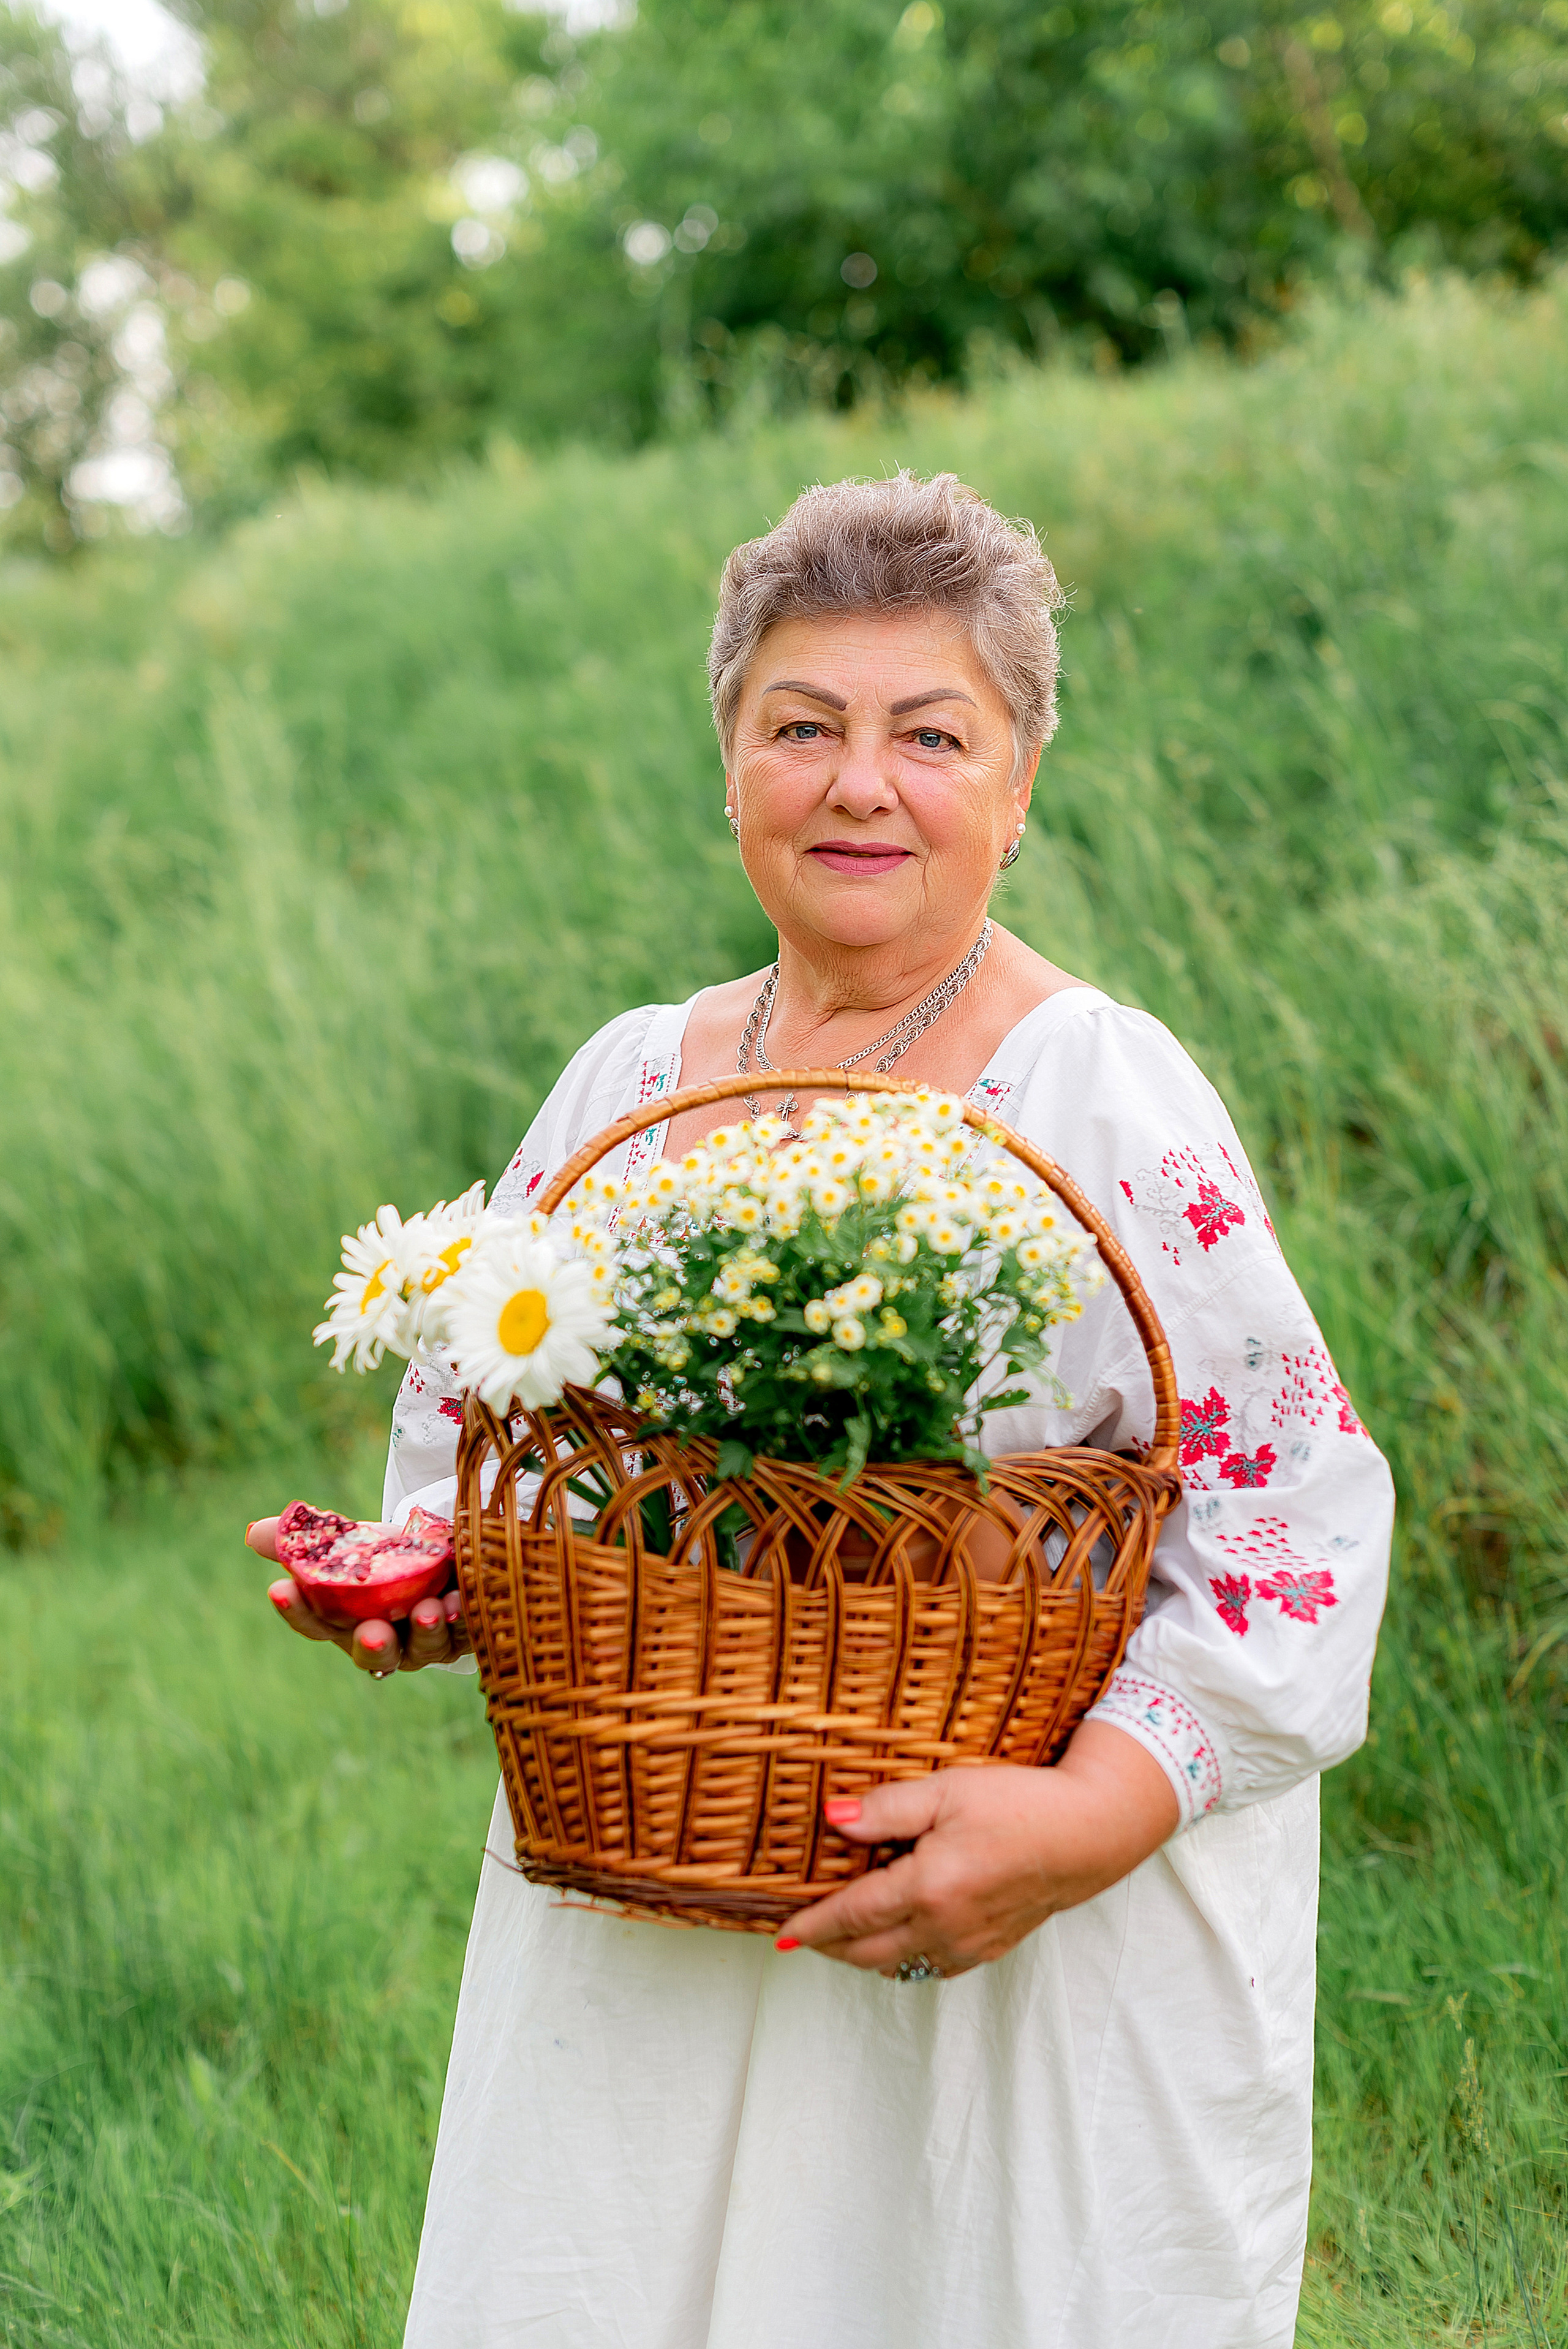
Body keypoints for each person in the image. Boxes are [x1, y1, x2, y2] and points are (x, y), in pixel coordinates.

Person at [249, 471, 1393, 2349]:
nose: (861, 781)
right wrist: (451, 1570)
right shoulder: (634, 1081)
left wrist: (1091, 1813)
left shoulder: (1093, 1094)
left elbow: (1294, 1519)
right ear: (731, 768)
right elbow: (490, 1422)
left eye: (931, 733)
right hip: (665, 1867)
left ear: (1017, 788)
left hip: (1013, 1918)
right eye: (803, 726)